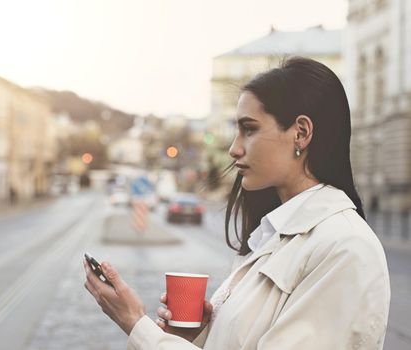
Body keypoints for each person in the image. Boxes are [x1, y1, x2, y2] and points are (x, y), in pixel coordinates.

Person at [83, 57, 391, 349]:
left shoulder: (344, 248)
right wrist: (195, 337)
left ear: (301, 133)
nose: (234, 149)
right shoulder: (273, 235)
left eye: (249, 129)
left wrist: (137, 324)